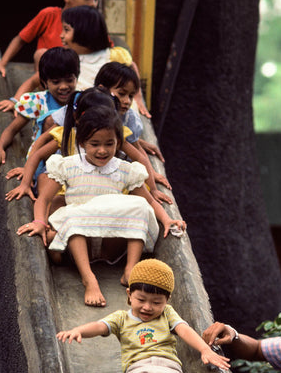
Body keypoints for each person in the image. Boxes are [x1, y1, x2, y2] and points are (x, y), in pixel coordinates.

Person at [17, 105, 186, 307]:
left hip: (110, 244)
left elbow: (148, 201)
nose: (102, 150)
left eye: (109, 144)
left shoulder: (125, 169)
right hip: (80, 239)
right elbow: (44, 199)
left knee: (139, 205)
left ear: (119, 143)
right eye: (95, 144)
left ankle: (130, 271)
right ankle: (89, 279)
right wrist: (38, 221)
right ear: (82, 143)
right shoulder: (68, 166)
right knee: (71, 215)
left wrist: (167, 220)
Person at [57, 259, 230, 373]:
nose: (147, 307)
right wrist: (79, 331)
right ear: (129, 294)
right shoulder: (121, 318)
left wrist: (204, 349)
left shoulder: (168, 313)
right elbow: (100, 326)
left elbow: (184, 330)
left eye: (156, 302)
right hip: (137, 366)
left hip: (168, 365)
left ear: (167, 300)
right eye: (141, 300)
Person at [4, 86, 167, 204]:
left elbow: (140, 157)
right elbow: (38, 153)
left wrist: (153, 190)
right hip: (71, 187)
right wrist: (26, 181)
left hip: (106, 185)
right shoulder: (67, 134)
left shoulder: (114, 136)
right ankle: (50, 232)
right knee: (49, 191)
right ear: (79, 118)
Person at [0, 47, 79, 180]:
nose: (63, 86)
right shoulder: (38, 102)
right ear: (44, 82)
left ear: (76, 78)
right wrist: (0, 148)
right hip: (43, 162)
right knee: (51, 120)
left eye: (69, 80)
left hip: (73, 159)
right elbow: (12, 129)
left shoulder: (81, 101)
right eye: (56, 82)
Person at [60, 6, 150, 117]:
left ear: (83, 31)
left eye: (66, 30)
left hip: (117, 114)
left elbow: (131, 66)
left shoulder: (112, 55)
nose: (61, 35)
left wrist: (138, 96)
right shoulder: (67, 60)